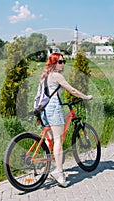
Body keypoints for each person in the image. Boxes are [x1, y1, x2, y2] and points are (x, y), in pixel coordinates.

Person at [38, 53, 93, 187]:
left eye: (64, 61)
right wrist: (85, 97)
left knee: (49, 140)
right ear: (54, 63)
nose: (63, 64)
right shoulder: (56, 75)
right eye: (61, 62)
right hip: (53, 108)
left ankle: (46, 167)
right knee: (58, 140)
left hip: (43, 109)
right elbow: (72, 90)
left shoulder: (44, 77)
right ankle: (60, 173)